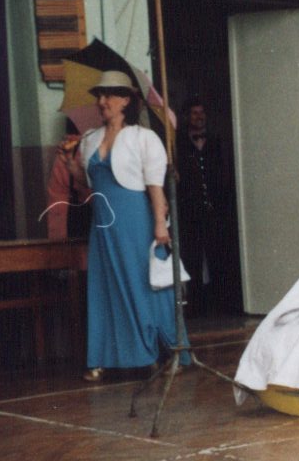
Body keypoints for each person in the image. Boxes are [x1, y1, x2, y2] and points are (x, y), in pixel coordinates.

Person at [78, 70, 184, 381]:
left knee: (141, 285)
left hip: (135, 222)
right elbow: (87, 185)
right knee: (105, 289)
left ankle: (154, 353)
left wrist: (160, 225)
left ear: (126, 100)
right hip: (103, 225)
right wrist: (72, 167)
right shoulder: (89, 139)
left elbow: (155, 188)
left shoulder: (143, 137)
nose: (102, 101)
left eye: (109, 95)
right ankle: (102, 358)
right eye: (99, 95)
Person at [175, 98, 240, 315]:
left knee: (218, 255)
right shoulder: (178, 144)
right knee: (192, 258)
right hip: (190, 211)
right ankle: (196, 307)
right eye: (194, 113)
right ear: (187, 116)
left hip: (216, 210)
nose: (199, 117)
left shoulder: (216, 141)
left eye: (202, 112)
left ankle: (222, 305)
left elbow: (226, 173)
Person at [44, 119, 91, 240]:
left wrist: (58, 242)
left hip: (74, 227)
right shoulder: (108, 149)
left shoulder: (66, 153)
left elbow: (57, 204)